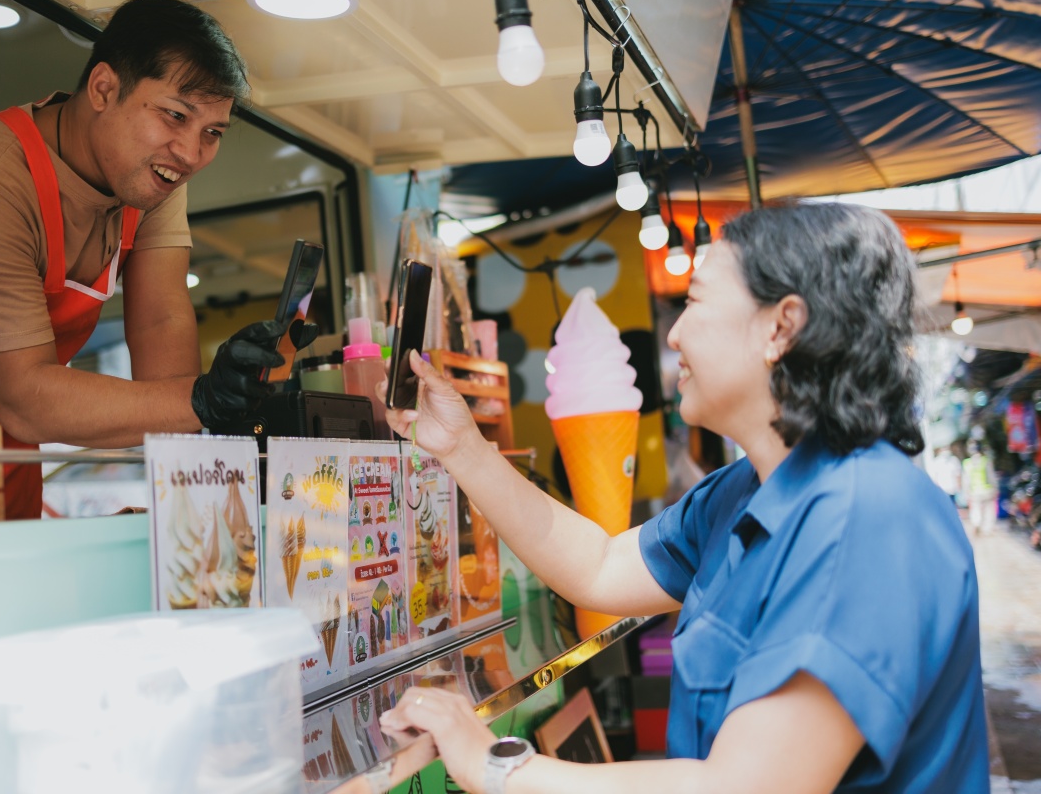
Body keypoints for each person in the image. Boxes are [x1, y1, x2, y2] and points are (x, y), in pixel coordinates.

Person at [379, 203, 988, 793]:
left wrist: (493, 763)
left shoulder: (869, 519)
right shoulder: (743, 490)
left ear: (781, 326)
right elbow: (597, 567)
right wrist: (463, 448)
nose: (674, 332)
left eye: (695, 301)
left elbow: (747, 787)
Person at [0, 0, 285, 518]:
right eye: (175, 116)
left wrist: (193, 514)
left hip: (4, 443)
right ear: (104, 88)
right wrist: (201, 399)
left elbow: (162, 322)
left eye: (213, 133)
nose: (191, 153)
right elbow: (22, 393)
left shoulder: (150, 179)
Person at [962, 441, 998, 535]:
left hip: (974, 491)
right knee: (988, 509)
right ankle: (988, 528)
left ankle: (976, 523)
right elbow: (991, 475)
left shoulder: (967, 463)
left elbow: (966, 480)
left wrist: (966, 492)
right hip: (987, 490)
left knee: (975, 509)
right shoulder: (985, 460)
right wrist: (995, 488)